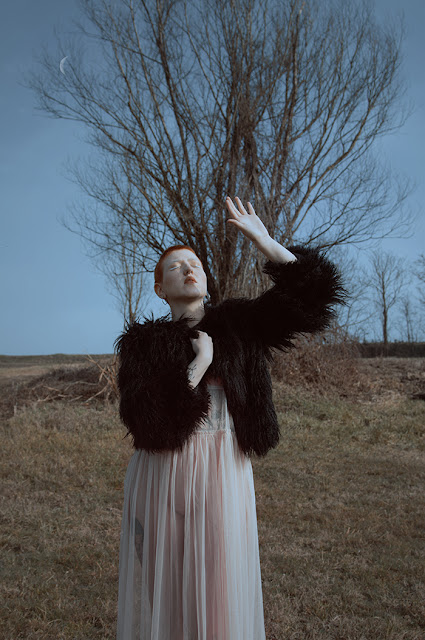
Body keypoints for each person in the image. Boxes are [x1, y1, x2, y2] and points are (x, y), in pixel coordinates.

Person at [114, 197, 349, 639]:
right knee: (170, 592)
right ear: (159, 289)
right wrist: (199, 366)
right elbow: (150, 426)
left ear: (206, 279)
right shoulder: (143, 344)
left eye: (196, 264)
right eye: (175, 266)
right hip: (162, 474)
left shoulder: (241, 323)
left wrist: (266, 242)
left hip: (223, 471)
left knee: (219, 589)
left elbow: (313, 301)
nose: (189, 269)